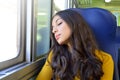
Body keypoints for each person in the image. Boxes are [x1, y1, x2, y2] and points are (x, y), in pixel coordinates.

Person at [36, 9, 114, 80]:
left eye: (59, 23)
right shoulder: (54, 55)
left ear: (74, 24)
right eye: (52, 28)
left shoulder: (105, 59)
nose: (54, 31)